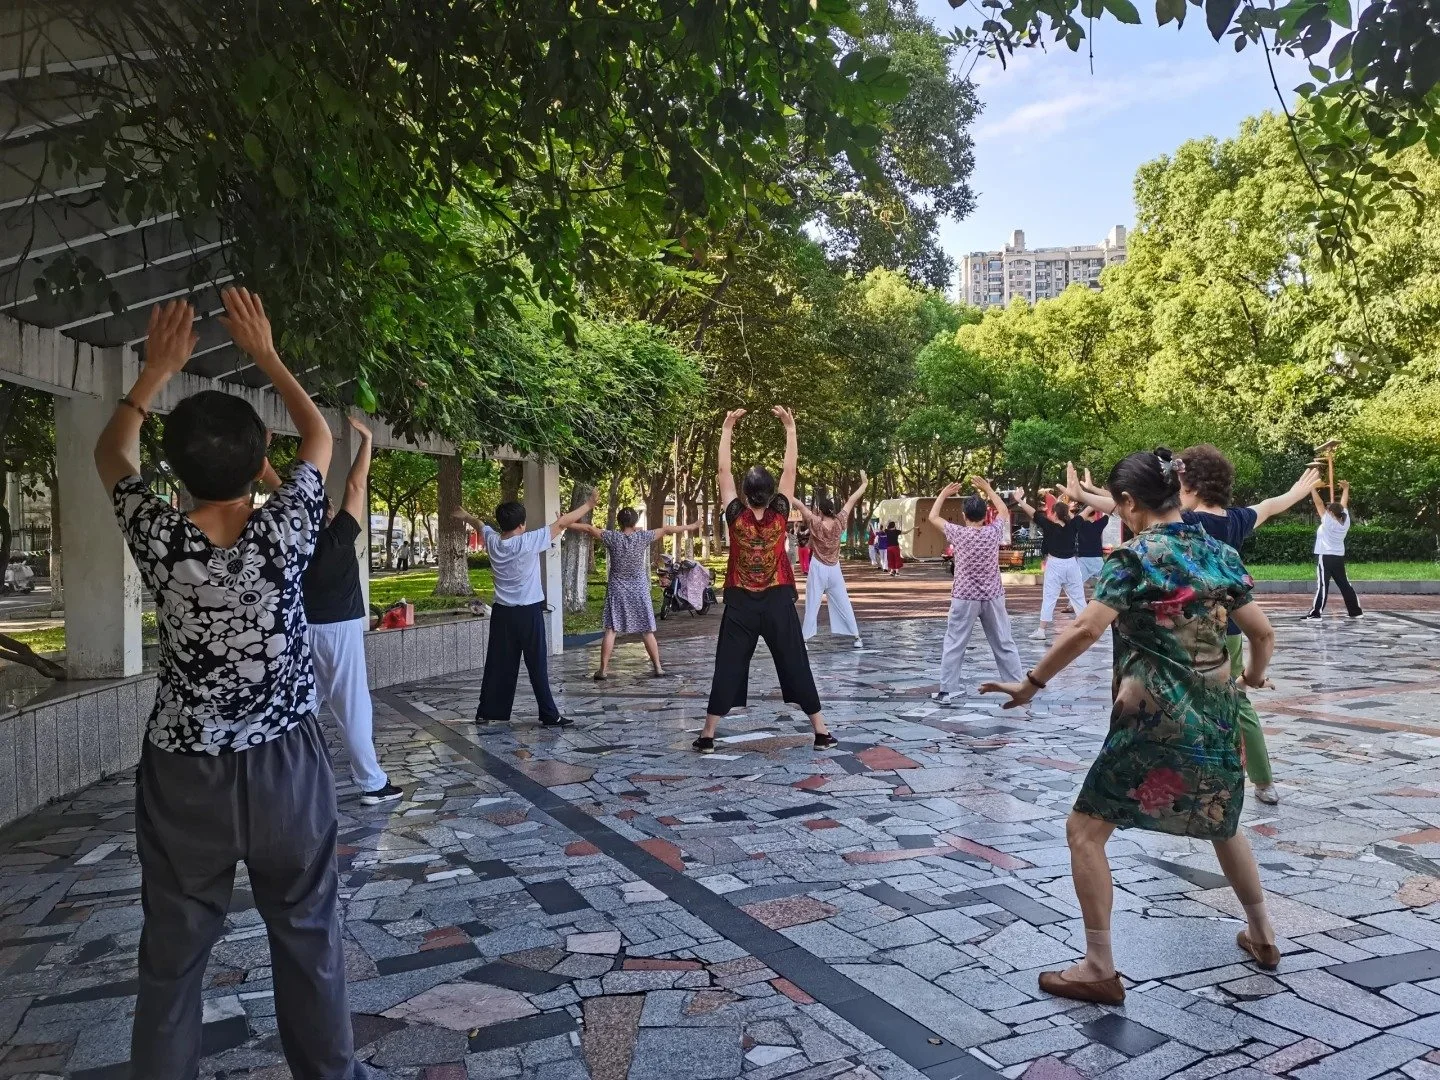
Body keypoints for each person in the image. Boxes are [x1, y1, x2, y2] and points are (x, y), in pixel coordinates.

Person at [94, 290, 367, 1078]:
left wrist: (153, 375)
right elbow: (318, 435)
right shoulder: (286, 528)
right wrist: (267, 353)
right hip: (286, 766)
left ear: (173, 469)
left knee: (172, 962)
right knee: (308, 936)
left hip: (184, 778)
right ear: (258, 465)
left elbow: (112, 452)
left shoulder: (159, 536)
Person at [982, 447, 1280, 1006]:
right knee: (1222, 820)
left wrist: (1031, 684)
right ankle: (1262, 933)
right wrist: (1253, 679)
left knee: (1084, 831)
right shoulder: (1217, 552)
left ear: (1127, 503)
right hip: (1215, 719)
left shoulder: (1133, 559)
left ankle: (1098, 965)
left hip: (1150, 723)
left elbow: (1086, 630)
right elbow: (1261, 634)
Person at [1066, 451, 1319, 807]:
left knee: (1180, 697)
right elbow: (1272, 505)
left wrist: (1083, 496)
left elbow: (1125, 505)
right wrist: (1299, 490)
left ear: (1192, 487)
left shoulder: (1185, 523)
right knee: (1236, 701)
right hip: (1229, 628)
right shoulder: (1237, 520)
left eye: (1180, 483)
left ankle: (1181, 769)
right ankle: (1263, 781)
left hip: (1184, 629)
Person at [693, 407, 836, 754]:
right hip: (776, 599)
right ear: (772, 492)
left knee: (727, 663)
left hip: (741, 601)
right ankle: (820, 732)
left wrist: (727, 428)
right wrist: (790, 427)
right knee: (795, 660)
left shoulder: (735, 515)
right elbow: (791, 469)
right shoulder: (780, 514)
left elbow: (722, 469)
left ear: (744, 490)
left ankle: (708, 736)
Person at [282, 417, 401, 806]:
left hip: (304, 629)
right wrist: (366, 441)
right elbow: (356, 484)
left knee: (305, 703)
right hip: (340, 630)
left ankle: (288, 777)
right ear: (329, 512)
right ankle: (371, 783)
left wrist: (263, 467)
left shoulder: (291, 540)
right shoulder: (338, 537)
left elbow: (288, 498)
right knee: (353, 705)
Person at [454, 494, 598, 727]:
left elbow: (480, 524)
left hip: (502, 613)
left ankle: (486, 711)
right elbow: (562, 523)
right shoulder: (528, 541)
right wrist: (589, 505)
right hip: (528, 612)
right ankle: (549, 715)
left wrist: (466, 515)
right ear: (522, 525)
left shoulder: (492, 541)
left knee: (497, 663)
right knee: (537, 664)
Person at [929, 477, 1023, 703]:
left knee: (955, 642)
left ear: (964, 516)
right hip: (992, 596)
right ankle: (1017, 686)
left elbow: (932, 517)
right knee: (1003, 641)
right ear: (985, 515)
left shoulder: (958, 534)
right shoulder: (992, 533)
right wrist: (988, 488)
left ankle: (948, 690)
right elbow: (1003, 511)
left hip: (964, 597)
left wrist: (943, 493)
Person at [574, 509, 699, 679]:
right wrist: (692, 525)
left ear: (619, 522)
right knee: (647, 630)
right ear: (635, 522)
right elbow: (667, 530)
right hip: (638, 589)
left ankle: (602, 670)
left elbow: (588, 529)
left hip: (617, 589)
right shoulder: (642, 537)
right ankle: (658, 668)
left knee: (611, 629)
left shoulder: (612, 537)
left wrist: (566, 523)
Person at [799, 473, 869, 649]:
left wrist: (785, 488)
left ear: (820, 511)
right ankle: (856, 637)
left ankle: (805, 640)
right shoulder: (840, 521)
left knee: (812, 602)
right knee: (843, 601)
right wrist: (864, 484)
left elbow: (799, 504)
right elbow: (852, 500)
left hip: (818, 567)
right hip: (834, 568)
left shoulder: (815, 522)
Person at [1014, 492, 1085, 640]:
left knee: (1049, 598)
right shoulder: (1074, 525)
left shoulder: (1049, 526)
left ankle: (1041, 630)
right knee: (1078, 598)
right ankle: (1086, 629)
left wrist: (1020, 499)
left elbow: (1033, 513)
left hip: (1055, 564)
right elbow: (1087, 510)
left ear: (1054, 513)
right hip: (1072, 564)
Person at [1306, 479, 1362, 620]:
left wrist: (1312, 488)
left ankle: (1316, 613)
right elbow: (1343, 505)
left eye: (1329, 508)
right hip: (1338, 557)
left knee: (1323, 585)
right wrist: (1346, 489)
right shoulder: (1345, 520)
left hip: (1325, 557)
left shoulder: (1329, 521)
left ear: (1330, 512)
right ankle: (1355, 612)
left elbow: (1319, 504)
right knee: (1345, 584)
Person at [1075, 505, 1110, 584]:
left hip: (1082, 559)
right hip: (1096, 558)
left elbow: (1070, 515)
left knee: (1078, 583)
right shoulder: (1099, 524)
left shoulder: (1079, 524)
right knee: (1104, 582)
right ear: (1094, 515)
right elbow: (1108, 513)